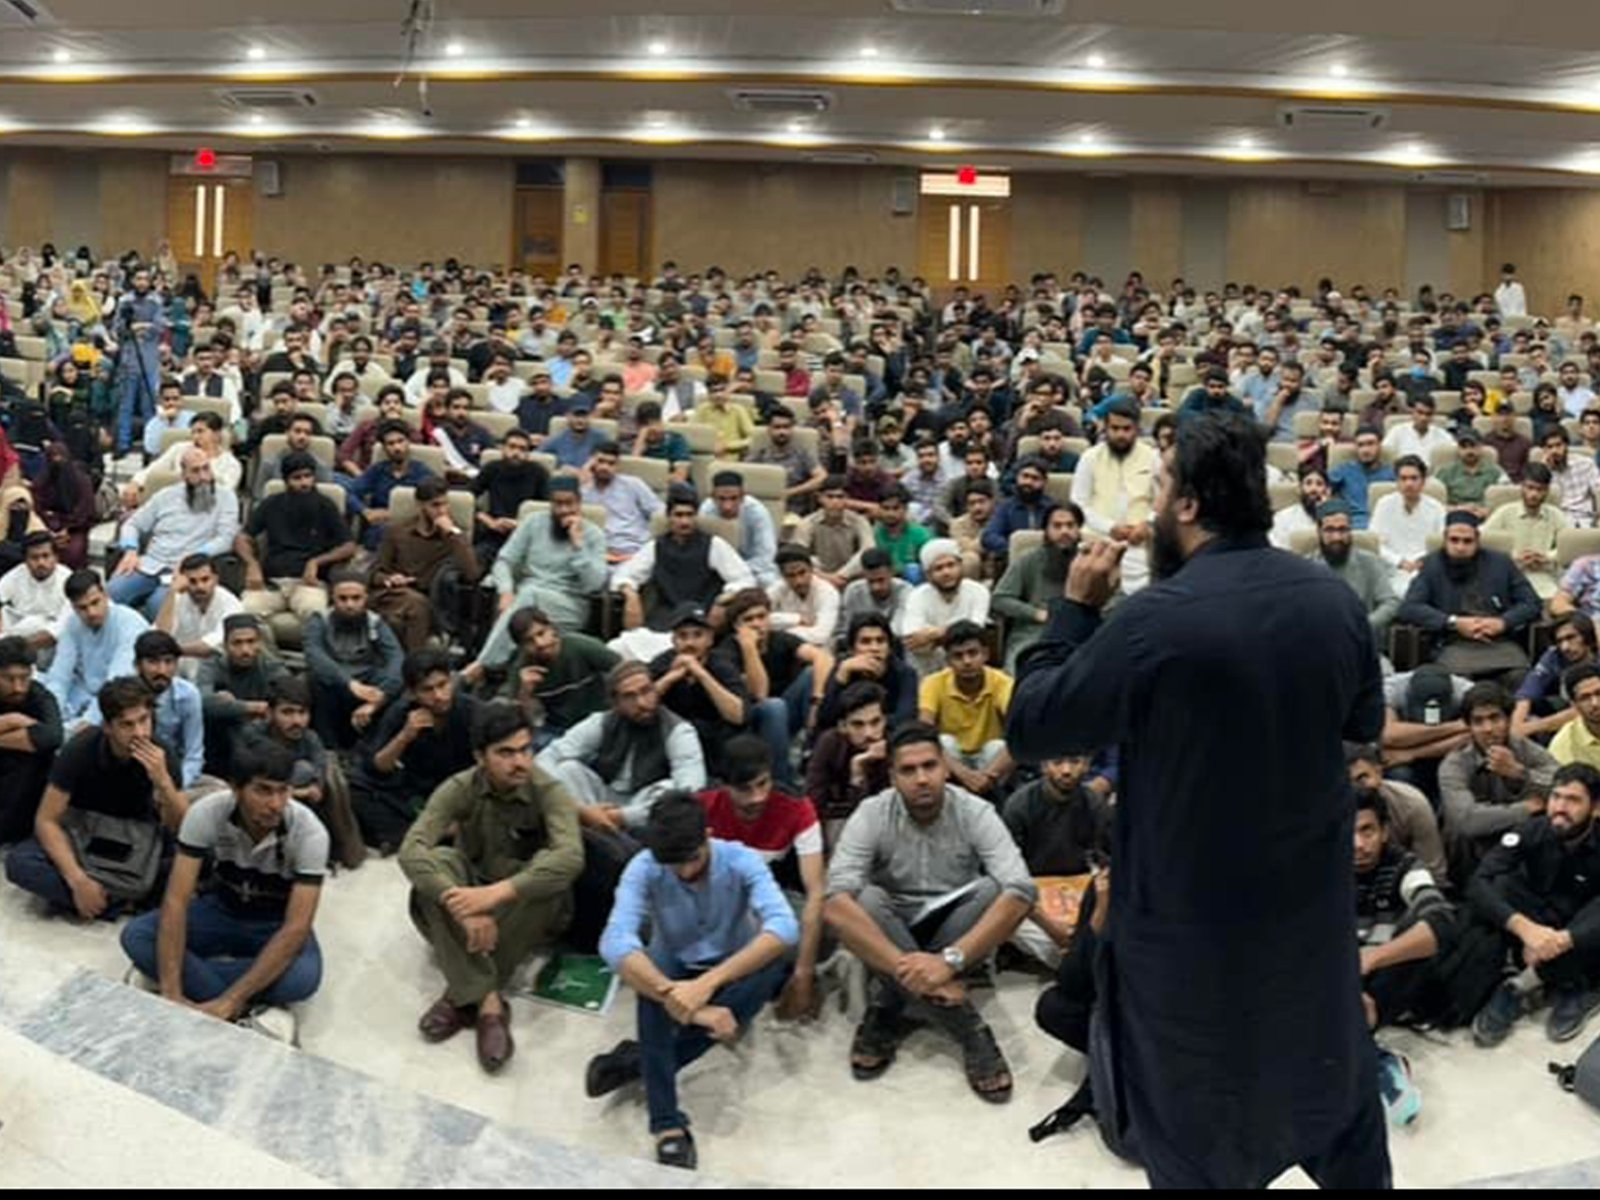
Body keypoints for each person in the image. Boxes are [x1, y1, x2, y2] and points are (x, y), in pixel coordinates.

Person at [1007, 412, 1391, 1188]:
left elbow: (1033, 727)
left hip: (1192, 952)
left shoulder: (1154, 620)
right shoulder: (1332, 600)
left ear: (1186, 504)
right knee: (1336, 1121)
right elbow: (1363, 723)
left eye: (1160, 487)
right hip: (1309, 934)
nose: (1153, 505)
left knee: (1199, 1146)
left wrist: (1074, 610)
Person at [587, 791, 797, 1171]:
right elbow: (614, 941)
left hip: (732, 962)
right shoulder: (644, 867)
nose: (684, 872)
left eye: (693, 859)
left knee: (772, 963)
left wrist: (708, 984)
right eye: (673, 865)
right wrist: (680, 999)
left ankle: (638, 1062)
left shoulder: (741, 860)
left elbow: (784, 927)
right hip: (674, 965)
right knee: (648, 979)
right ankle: (665, 1122)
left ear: (708, 836)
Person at [825, 723, 1035, 1104]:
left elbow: (1021, 891)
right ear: (892, 776)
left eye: (930, 766)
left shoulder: (975, 811)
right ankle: (968, 1027)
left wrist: (949, 961)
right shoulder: (872, 813)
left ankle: (888, 1003)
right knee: (864, 898)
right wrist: (920, 975)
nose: (922, 778)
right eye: (908, 770)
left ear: (945, 768)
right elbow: (835, 901)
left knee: (995, 890)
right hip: (890, 926)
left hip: (953, 928)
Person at [399, 702, 585, 1074]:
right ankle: (489, 1003)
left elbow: (571, 858)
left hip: (522, 908)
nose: (520, 762)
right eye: (506, 753)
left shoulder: (549, 791)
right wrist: (462, 907)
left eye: (525, 750)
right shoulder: (460, 787)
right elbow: (411, 850)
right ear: (479, 757)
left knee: (547, 877)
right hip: (470, 898)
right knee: (438, 864)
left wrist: (494, 896)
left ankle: (461, 993)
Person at [119, 739, 327, 1042]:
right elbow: (176, 900)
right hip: (222, 908)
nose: (276, 804)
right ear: (236, 789)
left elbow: (296, 927)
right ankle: (255, 1009)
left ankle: (187, 979)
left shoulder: (309, 832)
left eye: (283, 791)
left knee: (304, 978)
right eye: (263, 790)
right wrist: (171, 993)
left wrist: (229, 1000)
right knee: (137, 935)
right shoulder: (206, 813)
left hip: (274, 923)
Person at [4, 677, 185, 916]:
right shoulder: (81, 749)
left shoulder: (162, 753)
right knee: (20, 863)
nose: (140, 733)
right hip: (83, 834)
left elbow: (179, 825)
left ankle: (101, 901)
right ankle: (121, 902)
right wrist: (77, 880)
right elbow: (46, 820)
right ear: (108, 727)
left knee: (196, 860)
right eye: (127, 725)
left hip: (138, 840)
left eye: (144, 720)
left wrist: (163, 782)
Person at [1458, 762, 1600, 1047]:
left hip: (1581, 930)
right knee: (1498, 885)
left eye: (1573, 800)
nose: (1560, 807)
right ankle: (1556, 976)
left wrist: (1561, 940)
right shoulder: (1531, 831)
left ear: (1596, 808)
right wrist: (1526, 930)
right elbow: (1479, 882)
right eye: (1556, 797)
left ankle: (1527, 984)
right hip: (1540, 919)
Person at [697, 735, 828, 1019]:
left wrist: (804, 974)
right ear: (724, 785)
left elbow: (816, 891)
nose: (757, 797)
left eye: (763, 784)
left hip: (770, 900)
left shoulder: (798, 808)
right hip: (711, 899)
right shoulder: (700, 806)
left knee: (819, 932)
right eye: (744, 789)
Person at [1351, 787, 1455, 1126]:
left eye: (1367, 830)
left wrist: (1374, 957)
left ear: (1384, 831)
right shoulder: (1322, 872)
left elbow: (1441, 923)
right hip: (1341, 978)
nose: (1358, 844)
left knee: (1425, 927)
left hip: (1387, 976)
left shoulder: (1405, 866)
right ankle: (1375, 1056)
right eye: (1348, 832)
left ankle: (1371, 1055)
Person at [537, 660, 708, 833]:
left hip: (644, 809)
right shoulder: (602, 722)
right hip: (600, 800)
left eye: (646, 691)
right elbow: (547, 757)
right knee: (568, 769)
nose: (641, 703)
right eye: (629, 696)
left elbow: (691, 789)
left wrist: (620, 817)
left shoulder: (678, 730)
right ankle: (589, 828)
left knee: (670, 791)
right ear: (616, 702)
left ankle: (597, 828)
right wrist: (582, 810)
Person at [351, 647, 479, 853]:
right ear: (412, 692)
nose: (438, 695)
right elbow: (378, 767)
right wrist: (405, 735)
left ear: (451, 680)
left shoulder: (470, 710)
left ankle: (424, 834)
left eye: (443, 685)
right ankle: (433, 833)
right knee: (358, 789)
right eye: (427, 690)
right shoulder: (401, 713)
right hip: (417, 794)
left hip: (460, 792)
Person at [1396, 511, 1540, 680]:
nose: (1460, 547)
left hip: (1500, 642)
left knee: (1521, 678)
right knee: (1458, 683)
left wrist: (1503, 622)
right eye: (1454, 540)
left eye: (1467, 541)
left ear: (1477, 540)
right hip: (1454, 643)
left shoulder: (1501, 563)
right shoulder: (1431, 565)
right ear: (1445, 539)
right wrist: (1453, 622)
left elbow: (1532, 603)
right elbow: (1409, 608)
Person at [1437, 682, 1558, 878]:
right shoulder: (1454, 764)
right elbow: (1467, 821)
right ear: (1469, 727)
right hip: (1476, 849)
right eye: (1478, 721)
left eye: (1495, 718)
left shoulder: (1526, 748)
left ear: (1508, 719)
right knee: (1459, 833)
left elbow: (1563, 785)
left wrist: (1521, 774)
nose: (1488, 729)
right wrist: (1526, 808)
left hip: (1521, 838)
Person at [1001, 754, 1111, 968]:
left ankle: (1077, 962)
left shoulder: (1095, 804)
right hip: (1032, 898)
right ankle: (1079, 963)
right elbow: (1008, 876)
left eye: (1075, 762)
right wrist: (1049, 925)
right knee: (1006, 918)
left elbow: (1105, 862)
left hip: (1082, 893)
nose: (1066, 771)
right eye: (1058, 762)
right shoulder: (1019, 805)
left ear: (1087, 765)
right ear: (1043, 766)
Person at [111, 446, 241, 618]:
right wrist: (131, 550)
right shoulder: (166, 496)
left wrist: (194, 558)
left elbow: (226, 538)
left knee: (158, 605)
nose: (203, 477)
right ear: (184, 475)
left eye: (206, 468)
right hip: (151, 563)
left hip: (187, 571)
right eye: (195, 471)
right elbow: (132, 524)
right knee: (112, 592)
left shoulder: (226, 498)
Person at [721, 588, 832, 791]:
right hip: (751, 722)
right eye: (748, 619)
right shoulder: (727, 652)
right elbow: (759, 693)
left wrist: (816, 701)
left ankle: (812, 753)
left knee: (811, 674)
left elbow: (823, 658)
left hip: (784, 716)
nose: (757, 624)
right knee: (773, 706)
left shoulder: (780, 639)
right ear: (737, 626)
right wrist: (749, 649)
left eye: (761, 616)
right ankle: (782, 784)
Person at [469, 605, 618, 747]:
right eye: (529, 641)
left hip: (597, 720)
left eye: (541, 633)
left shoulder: (580, 646)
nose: (539, 643)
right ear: (522, 647)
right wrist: (525, 693)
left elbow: (623, 671)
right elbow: (520, 720)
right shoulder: (521, 667)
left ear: (552, 629)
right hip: (558, 728)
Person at [614, 487, 755, 635]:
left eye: (690, 515)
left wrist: (723, 601)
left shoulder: (714, 544)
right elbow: (624, 576)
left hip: (702, 617)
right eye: (679, 515)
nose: (685, 521)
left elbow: (745, 579)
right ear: (669, 517)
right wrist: (631, 595)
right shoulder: (656, 546)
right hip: (665, 618)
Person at [368, 476, 481, 652]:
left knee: (410, 611)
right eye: (435, 505)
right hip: (395, 594)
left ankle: (411, 662)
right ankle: (416, 662)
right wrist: (390, 579)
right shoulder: (397, 532)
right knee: (412, 606)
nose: (442, 511)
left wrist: (453, 533)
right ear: (421, 506)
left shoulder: (454, 537)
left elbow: (472, 574)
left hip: (432, 600)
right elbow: (374, 573)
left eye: (445, 504)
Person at [302, 570, 405, 749]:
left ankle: (373, 748)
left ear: (366, 598)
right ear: (332, 598)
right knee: (315, 680)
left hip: (368, 685)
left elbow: (397, 658)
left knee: (396, 682)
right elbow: (314, 655)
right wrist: (349, 683)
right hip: (335, 684)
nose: (349, 605)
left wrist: (380, 698)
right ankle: (329, 749)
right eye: (343, 599)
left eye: (356, 598)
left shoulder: (375, 622)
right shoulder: (320, 620)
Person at [918, 621, 1015, 799]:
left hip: (990, 765)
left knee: (998, 747)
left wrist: (985, 777)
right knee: (943, 742)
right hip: (952, 764)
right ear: (948, 660)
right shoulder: (932, 683)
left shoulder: (1003, 683)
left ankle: (992, 799)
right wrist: (964, 774)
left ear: (985, 654)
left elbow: (1020, 733)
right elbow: (924, 732)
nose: (967, 661)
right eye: (958, 656)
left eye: (973, 653)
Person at [1069, 401, 1158, 593]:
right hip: (1097, 543)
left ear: (1137, 429)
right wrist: (1110, 527)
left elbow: (1162, 502)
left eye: (1126, 429)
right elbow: (1078, 504)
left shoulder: (1153, 458)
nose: (1120, 435)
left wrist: (1147, 524)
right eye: (1115, 428)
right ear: (1105, 428)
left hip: (1140, 545)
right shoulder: (1090, 457)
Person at [43, 568, 149, 730]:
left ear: (105, 595)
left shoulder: (130, 624)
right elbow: (59, 675)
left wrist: (88, 723)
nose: (91, 612)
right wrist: (52, 717)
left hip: (121, 700)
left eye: (95, 603)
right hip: (82, 694)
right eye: (82, 608)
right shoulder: (73, 623)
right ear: (73, 607)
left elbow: (116, 684)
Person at [1346, 743, 1450, 884]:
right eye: (1345, 782)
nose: (1355, 788)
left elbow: (1434, 873)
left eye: (1362, 778)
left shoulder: (1412, 804)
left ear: (1379, 772)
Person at [805, 680, 890, 848]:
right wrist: (857, 776)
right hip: (841, 823)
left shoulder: (894, 745)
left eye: (875, 722)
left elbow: (885, 813)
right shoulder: (829, 743)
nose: (869, 733)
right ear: (842, 726)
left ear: (885, 721)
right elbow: (814, 803)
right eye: (858, 725)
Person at [896, 539, 992, 677]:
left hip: (966, 661)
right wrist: (956, 631)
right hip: (927, 668)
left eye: (951, 565)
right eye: (939, 568)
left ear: (961, 566)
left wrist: (934, 635)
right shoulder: (917, 596)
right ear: (928, 575)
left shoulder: (978, 591)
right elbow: (912, 640)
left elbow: (975, 631)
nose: (946, 572)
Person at [0, 636, 63, 844]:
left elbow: (53, 737)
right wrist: (12, 721)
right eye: (9, 679)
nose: (18, 687)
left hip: (22, 785)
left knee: (37, 758)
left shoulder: (39, 696)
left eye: (24, 678)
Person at [133, 629, 207, 790]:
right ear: (138, 665)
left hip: (174, 771)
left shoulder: (188, 695)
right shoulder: (124, 695)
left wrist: (173, 788)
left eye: (169, 662)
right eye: (153, 662)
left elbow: (194, 755)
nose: (162, 670)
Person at [152, 552, 244, 680]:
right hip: (177, 665)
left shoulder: (231, 603)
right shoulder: (177, 598)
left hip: (216, 667)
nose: (200, 586)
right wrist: (172, 591)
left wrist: (172, 650)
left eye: (205, 579)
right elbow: (160, 635)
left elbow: (211, 646)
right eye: (192, 581)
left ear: (215, 579)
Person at [1483, 462, 1565, 600]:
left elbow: (1569, 547)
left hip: (1545, 575)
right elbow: (1484, 542)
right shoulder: (1504, 511)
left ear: (1547, 491)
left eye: (1540, 489)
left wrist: (1548, 557)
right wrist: (1514, 557)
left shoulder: (1556, 515)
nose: (1534, 494)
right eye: (1530, 488)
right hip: (1509, 575)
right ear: (1522, 487)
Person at [349, 420, 436, 549]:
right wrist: (365, 511)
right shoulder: (377, 470)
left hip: (411, 527)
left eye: (400, 441)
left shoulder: (422, 472)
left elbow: (434, 501)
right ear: (384, 448)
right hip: (379, 531)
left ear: (408, 442)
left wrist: (392, 513)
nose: (397, 447)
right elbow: (351, 493)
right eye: (391, 444)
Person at [471, 428, 549, 566]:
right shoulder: (492, 468)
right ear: (503, 448)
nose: (516, 453)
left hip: (526, 536)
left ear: (528, 453)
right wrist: (488, 520)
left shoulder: (539, 473)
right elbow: (467, 497)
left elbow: (547, 509)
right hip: (493, 533)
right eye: (512, 447)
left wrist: (520, 524)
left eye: (522, 449)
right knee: (473, 562)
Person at [1513, 613, 1597, 739]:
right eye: (1560, 641)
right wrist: (1516, 727)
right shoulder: (1554, 655)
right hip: (1567, 706)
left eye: (1571, 638)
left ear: (1587, 636)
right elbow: (1527, 693)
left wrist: (1532, 727)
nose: (1565, 647)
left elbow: (1586, 709)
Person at [579, 440, 663, 565]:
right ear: (591, 462)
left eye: (611, 463)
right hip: (600, 553)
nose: (605, 467)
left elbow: (659, 512)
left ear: (617, 466)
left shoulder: (633, 484)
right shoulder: (583, 491)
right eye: (600, 461)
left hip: (635, 550)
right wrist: (583, 479)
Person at [1370, 454, 1445, 591]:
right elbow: (1375, 543)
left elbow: (1440, 544)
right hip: (1390, 568)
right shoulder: (1383, 505)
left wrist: (1420, 561)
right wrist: (1399, 561)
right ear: (1397, 481)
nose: (1408, 484)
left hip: (1425, 569)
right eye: (1403, 478)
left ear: (1423, 481)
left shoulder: (1437, 508)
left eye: (1414, 478)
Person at [700, 471, 778, 589]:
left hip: (753, 567)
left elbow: (766, 555)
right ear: (713, 497)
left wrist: (738, 571)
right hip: (718, 568)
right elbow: (701, 548)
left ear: (742, 497)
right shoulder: (706, 511)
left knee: (770, 582)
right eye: (722, 499)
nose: (727, 506)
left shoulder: (757, 512)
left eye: (733, 498)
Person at [792, 475, 875, 584]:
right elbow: (798, 556)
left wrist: (842, 575)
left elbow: (868, 550)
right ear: (820, 498)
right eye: (830, 497)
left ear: (847, 498)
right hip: (817, 580)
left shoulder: (859, 521)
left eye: (840, 497)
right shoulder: (806, 523)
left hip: (851, 579)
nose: (835, 502)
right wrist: (827, 578)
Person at [0, 531, 70, 651]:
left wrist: (19, 647)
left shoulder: (67, 580)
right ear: (25, 560)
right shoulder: (16, 575)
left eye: (45, 556)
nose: (40, 563)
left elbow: (60, 629)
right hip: (16, 634)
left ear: (56, 557)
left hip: (50, 643)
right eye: (34, 558)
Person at [767, 544, 840, 648]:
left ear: (811, 569)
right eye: (791, 575)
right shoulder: (778, 588)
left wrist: (779, 633)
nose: (799, 581)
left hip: (820, 651)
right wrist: (797, 619)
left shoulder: (828, 592)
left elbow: (821, 636)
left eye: (802, 573)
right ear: (783, 576)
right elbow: (760, 617)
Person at [1326, 426, 1395, 531]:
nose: (1365, 450)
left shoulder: (1392, 474)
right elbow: (1321, 486)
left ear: (1379, 446)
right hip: (1352, 526)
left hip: (1385, 524)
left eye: (1370, 444)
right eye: (1360, 445)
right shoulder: (1344, 470)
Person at [837, 546, 912, 634]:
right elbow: (845, 628)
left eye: (881, 580)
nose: (876, 587)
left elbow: (899, 629)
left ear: (892, 572)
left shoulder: (906, 591)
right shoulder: (853, 591)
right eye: (871, 581)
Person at [1434, 429, 1508, 518]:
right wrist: (1458, 509)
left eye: (1473, 446)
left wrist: (1487, 511)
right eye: (1464, 447)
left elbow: (1505, 499)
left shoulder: (1495, 472)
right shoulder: (1446, 471)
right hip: (1455, 514)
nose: (1469, 451)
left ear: (1481, 447)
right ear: (1458, 449)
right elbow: (1435, 501)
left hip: (1486, 516)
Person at [1540, 425, 1600, 527]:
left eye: (1558, 445)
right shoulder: (1542, 471)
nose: (1554, 451)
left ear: (1566, 445)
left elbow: (1598, 490)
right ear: (1544, 450)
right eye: (1550, 447)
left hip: (1585, 519)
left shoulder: (1586, 464)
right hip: (1556, 522)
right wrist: (1543, 470)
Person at [1549, 663, 1600, 770]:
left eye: (1598, 693)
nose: (1595, 703)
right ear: (1574, 705)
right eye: (1585, 698)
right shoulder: (1563, 745)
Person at [1269, 465, 1331, 551]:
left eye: (1319, 484)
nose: (1313, 489)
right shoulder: (1283, 517)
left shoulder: (1338, 518)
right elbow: (1276, 548)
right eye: (1308, 483)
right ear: (1299, 489)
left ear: (1327, 490)